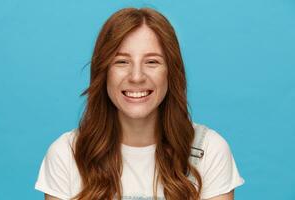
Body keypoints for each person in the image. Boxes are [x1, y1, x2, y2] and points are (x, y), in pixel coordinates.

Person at [35, 7, 245, 200]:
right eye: (122, 61)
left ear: (171, 72)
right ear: (104, 72)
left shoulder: (208, 151)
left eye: (152, 61)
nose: (136, 76)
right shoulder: (66, 154)